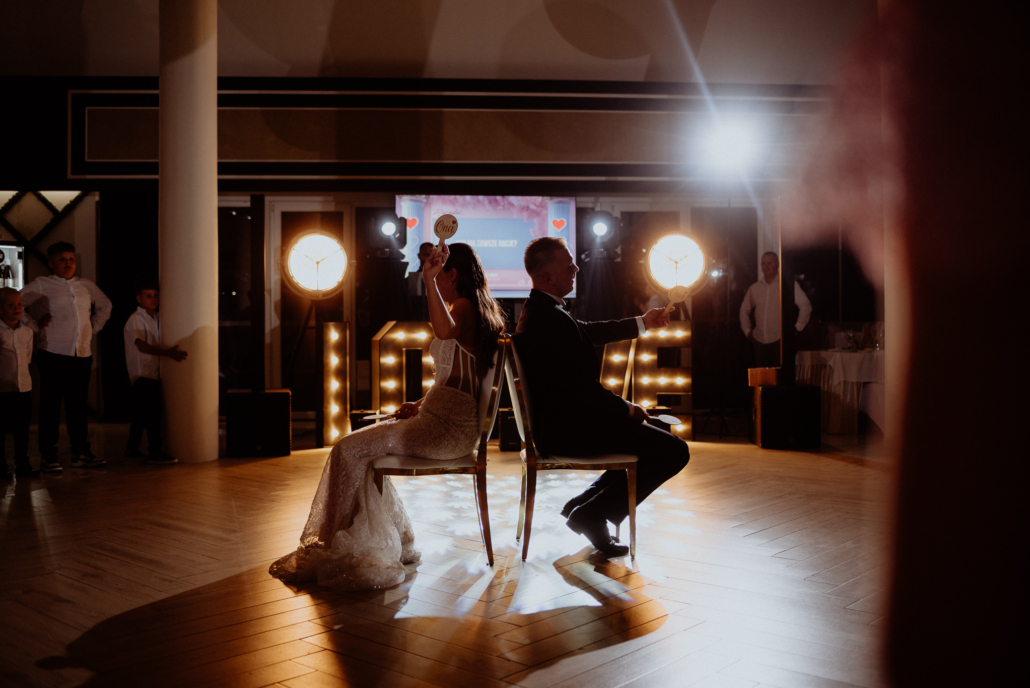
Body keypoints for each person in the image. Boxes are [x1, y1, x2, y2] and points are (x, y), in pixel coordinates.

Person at [270, 242, 506, 590]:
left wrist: (428, 280)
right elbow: (454, 379)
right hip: (439, 419)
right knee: (355, 449)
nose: (434, 278)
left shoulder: (465, 307)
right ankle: (363, 538)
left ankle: (333, 544)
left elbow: (443, 334)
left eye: (439, 273)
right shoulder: (469, 309)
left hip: (446, 429)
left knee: (347, 449)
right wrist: (421, 404)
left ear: (452, 274)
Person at [513, 237, 690, 557]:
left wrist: (643, 323)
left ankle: (586, 505)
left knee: (655, 438)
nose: (576, 268)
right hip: (567, 433)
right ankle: (592, 513)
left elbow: (586, 332)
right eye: (568, 265)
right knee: (675, 451)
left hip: (563, 424)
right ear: (548, 277)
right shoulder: (548, 318)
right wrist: (627, 409)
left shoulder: (542, 311)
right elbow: (580, 388)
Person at [21, 242, 112, 471]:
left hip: (81, 353)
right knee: (50, 406)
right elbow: (15, 302)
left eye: (71, 259)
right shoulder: (43, 283)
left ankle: (80, 452)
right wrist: (33, 325)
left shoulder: (86, 285)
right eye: (62, 259)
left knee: (78, 406)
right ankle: (48, 456)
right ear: (51, 263)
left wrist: (94, 326)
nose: (68, 263)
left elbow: (105, 305)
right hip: (52, 352)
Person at [123, 279, 187, 465]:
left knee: (142, 415)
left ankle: (132, 448)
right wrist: (168, 353)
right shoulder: (136, 319)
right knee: (152, 414)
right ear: (139, 299)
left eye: (155, 296)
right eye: (148, 296)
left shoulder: (158, 317)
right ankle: (155, 451)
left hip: (152, 373)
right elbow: (141, 345)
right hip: (142, 373)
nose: (153, 299)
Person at [0, 287, 46, 479]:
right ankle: (1, 467)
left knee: (22, 429)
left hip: (23, 387)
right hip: (3, 388)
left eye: (19, 304)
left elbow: (27, 359)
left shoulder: (27, 332)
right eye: (10, 305)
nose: (16, 308)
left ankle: (22, 464)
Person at [739, 251, 812, 367]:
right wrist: (747, 330)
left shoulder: (788, 285)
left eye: (769, 263)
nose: (766, 266)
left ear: (777, 264)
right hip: (759, 342)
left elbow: (805, 306)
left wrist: (797, 328)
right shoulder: (754, 288)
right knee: (761, 377)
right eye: (763, 263)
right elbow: (744, 310)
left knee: (779, 376)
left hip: (780, 341)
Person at [407, 241, 436, 320]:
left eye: (431, 256)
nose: (429, 259)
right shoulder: (411, 280)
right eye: (426, 255)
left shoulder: (441, 279)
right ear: (419, 256)